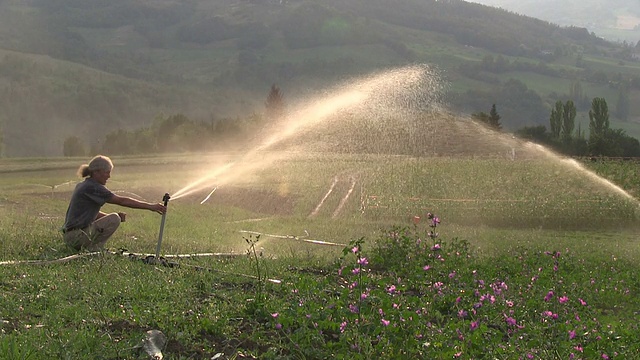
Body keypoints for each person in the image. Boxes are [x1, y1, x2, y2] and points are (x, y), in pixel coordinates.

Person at [62, 155, 167, 251]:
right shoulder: (93, 187)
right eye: (107, 172)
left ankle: (93, 249)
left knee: (113, 217)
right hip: (77, 236)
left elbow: (91, 214)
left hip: (71, 236)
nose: (109, 176)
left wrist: (107, 217)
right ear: (96, 172)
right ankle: (95, 250)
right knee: (114, 219)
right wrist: (150, 206)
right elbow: (121, 201)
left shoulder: (83, 185)